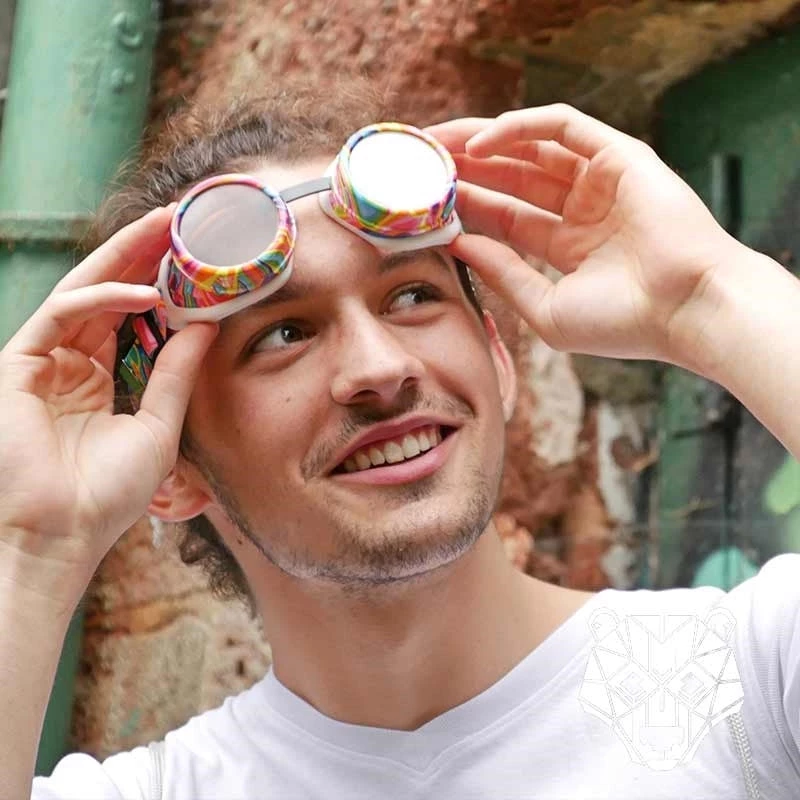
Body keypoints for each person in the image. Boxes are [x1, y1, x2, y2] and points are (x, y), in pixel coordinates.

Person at [3, 81, 800, 799]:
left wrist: (708, 294)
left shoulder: (752, 685)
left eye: (412, 295)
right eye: (283, 334)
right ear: (170, 468)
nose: (381, 368)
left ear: (497, 359)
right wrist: (31, 544)